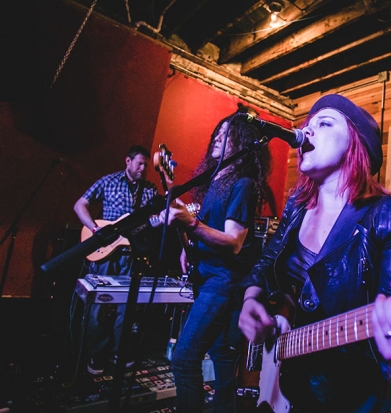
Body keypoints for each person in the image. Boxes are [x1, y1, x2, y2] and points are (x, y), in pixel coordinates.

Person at [237, 94, 391, 413]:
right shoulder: (296, 209)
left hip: (353, 397)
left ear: (356, 144)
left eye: (324, 123)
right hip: (288, 387)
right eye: (307, 125)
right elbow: (264, 264)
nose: (308, 131)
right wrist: (250, 301)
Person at [162, 109, 272, 413]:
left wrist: (192, 224)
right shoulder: (215, 181)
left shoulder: (243, 184)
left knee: (183, 358)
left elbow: (234, 242)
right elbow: (206, 230)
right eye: (218, 133)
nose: (218, 138)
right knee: (222, 353)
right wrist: (188, 246)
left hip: (222, 282)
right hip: (206, 276)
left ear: (242, 142)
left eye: (227, 135)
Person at [73, 145, 159, 375]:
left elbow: (150, 221)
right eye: (139, 163)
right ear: (127, 161)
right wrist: (94, 229)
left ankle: (119, 353)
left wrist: (161, 220)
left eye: (146, 165)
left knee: (127, 309)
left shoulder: (150, 189)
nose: (143, 169)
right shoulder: (108, 181)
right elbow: (79, 204)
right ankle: (96, 356)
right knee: (99, 306)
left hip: (131, 255)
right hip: (104, 254)